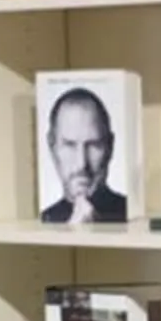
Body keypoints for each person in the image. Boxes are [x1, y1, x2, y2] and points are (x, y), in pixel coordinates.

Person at [41, 87, 130, 223]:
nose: (82, 163)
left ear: (110, 147)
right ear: (52, 146)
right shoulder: (45, 219)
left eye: (93, 145)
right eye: (70, 145)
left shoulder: (132, 215)